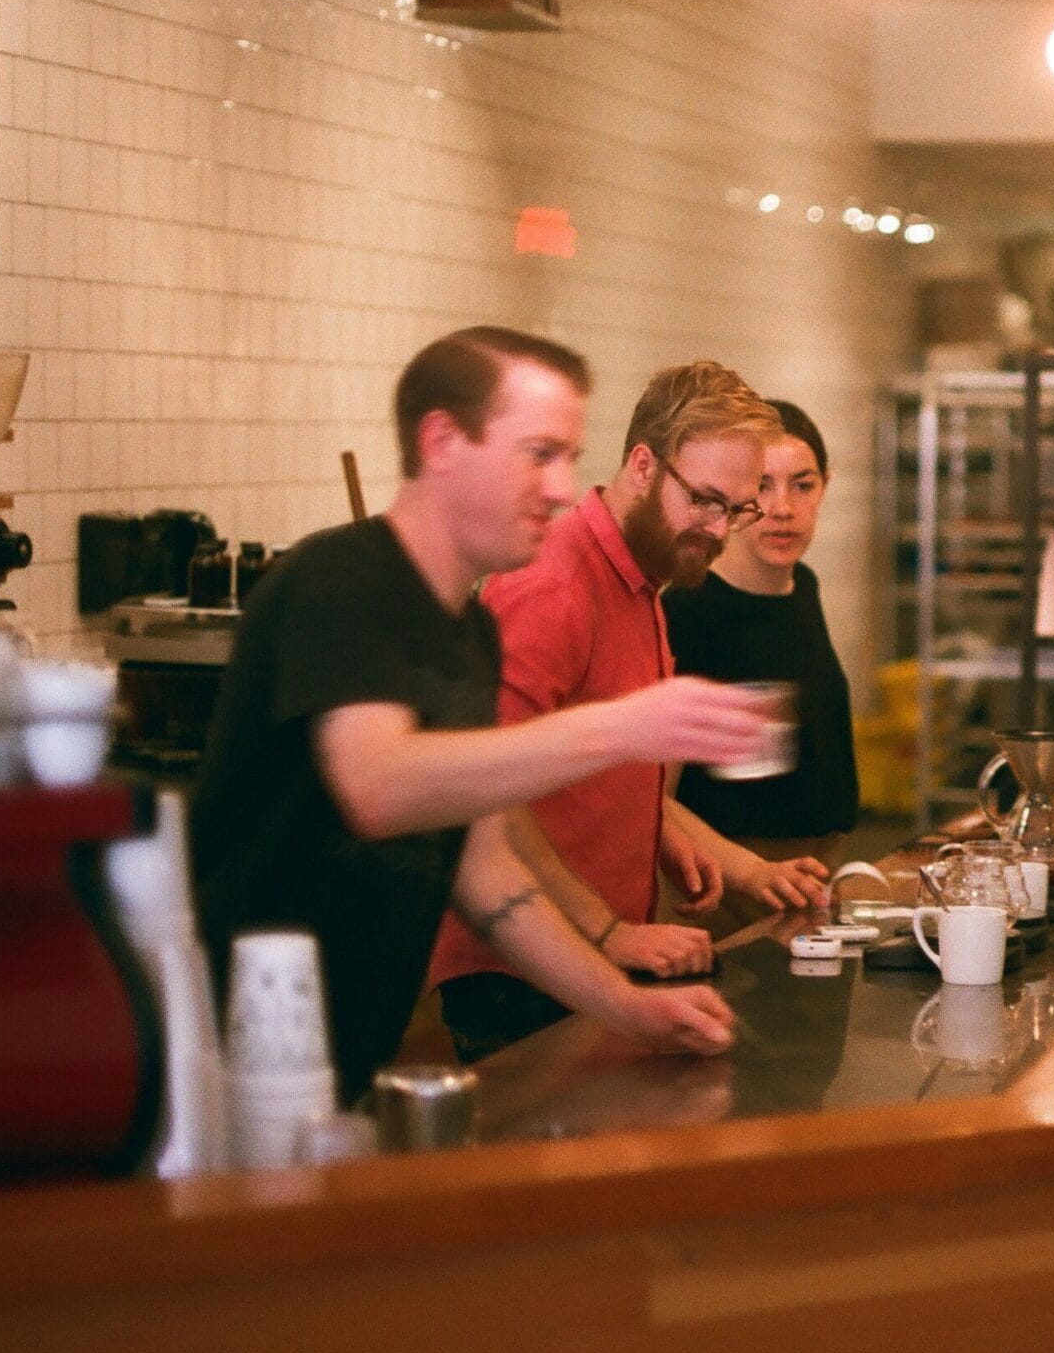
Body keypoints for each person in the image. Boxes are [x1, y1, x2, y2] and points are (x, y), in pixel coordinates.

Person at [192, 327, 754, 1100]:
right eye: (539, 453)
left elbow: (485, 871)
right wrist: (621, 726)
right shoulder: (341, 579)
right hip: (224, 1043)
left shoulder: (469, 631)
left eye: (567, 457)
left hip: (344, 1048)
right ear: (443, 441)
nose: (562, 488)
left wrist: (627, 1005)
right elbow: (378, 784)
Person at [430, 361, 831, 1063]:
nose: (718, 530)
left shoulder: (646, 578)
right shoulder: (554, 587)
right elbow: (486, 797)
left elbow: (596, 761)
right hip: (518, 971)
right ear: (644, 465)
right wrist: (607, 930)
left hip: (589, 954)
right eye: (706, 501)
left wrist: (662, 828)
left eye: (735, 510)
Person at [663, 398, 861, 861]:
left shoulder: (802, 586)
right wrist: (751, 873)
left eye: (802, 486)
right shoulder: (689, 610)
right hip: (728, 873)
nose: (782, 509)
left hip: (816, 863)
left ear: (825, 487)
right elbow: (656, 801)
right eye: (762, 487)